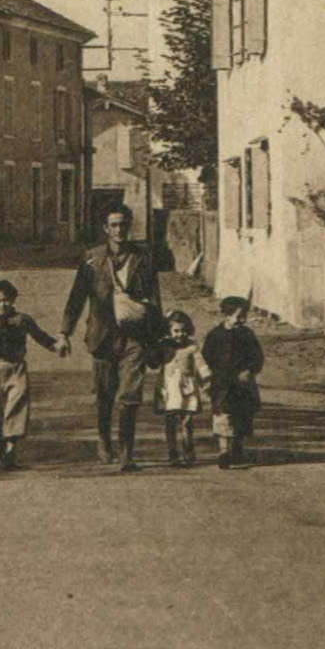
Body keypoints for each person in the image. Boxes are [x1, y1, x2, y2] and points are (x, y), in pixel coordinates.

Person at [61, 202, 173, 472]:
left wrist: (159, 339)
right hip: (102, 336)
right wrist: (65, 332)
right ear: (105, 229)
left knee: (130, 396)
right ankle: (103, 438)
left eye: (123, 224)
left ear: (129, 225)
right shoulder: (92, 259)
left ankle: (126, 453)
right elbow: (77, 297)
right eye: (114, 225)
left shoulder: (144, 258)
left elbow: (155, 298)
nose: (119, 230)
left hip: (135, 338)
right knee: (105, 395)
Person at [0, 278, 66, 469]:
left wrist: (56, 346)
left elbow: (40, 336)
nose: (2, 304)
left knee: (16, 408)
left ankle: (11, 450)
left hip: (16, 369)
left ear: (13, 299)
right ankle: (3, 455)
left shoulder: (22, 320)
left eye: (6, 300)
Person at [200, 294, 264, 469]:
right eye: (238, 316)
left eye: (244, 316)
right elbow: (206, 357)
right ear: (226, 315)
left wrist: (250, 370)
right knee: (223, 416)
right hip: (222, 384)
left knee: (242, 415)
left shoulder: (247, 334)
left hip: (243, 384)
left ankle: (237, 448)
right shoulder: (215, 335)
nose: (242, 320)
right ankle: (224, 451)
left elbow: (257, 356)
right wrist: (208, 377)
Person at [157, 310, 214, 467]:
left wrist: (206, 378)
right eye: (176, 331)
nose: (180, 334)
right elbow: (154, 361)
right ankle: (172, 453)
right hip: (169, 388)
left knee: (186, 422)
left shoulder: (192, 347)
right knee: (170, 422)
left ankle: (188, 452)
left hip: (187, 389)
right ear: (169, 330)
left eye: (183, 331)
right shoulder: (163, 346)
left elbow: (200, 363)